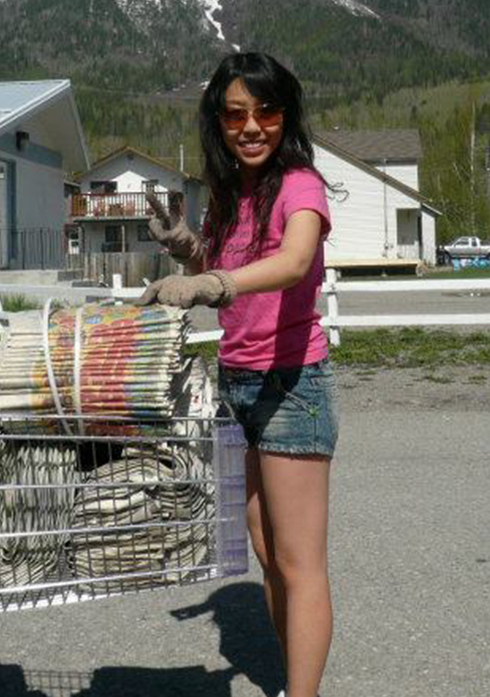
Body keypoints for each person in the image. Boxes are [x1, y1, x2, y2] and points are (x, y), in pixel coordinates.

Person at [139, 52, 337, 697]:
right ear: (218, 123)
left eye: (267, 111)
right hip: (238, 383)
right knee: (264, 546)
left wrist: (209, 282)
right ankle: (291, 679)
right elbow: (229, 257)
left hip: (290, 384)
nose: (252, 127)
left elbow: (292, 260)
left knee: (299, 560)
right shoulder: (233, 191)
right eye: (235, 114)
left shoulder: (300, 184)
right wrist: (187, 247)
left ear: (287, 115)